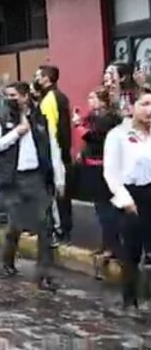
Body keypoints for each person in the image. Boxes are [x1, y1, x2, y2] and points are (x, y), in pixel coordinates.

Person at [0, 82, 65, 292]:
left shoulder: (41, 119)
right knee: (14, 225)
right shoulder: (3, 119)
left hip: (36, 178)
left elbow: (53, 148)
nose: (9, 99)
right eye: (7, 96)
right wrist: (16, 134)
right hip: (12, 179)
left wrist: (59, 178)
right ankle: (6, 262)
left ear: (24, 96)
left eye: (12, 95)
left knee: (45, 226)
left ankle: (44, 275)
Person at [103, 87, 151, 308]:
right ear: (132, 107)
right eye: (145, 104)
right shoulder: (118, 135)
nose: (149, 110)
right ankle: (129, 300)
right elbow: (111, 173)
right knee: (131, 252)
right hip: (129, 196)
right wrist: (125, 200)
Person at [75, 87, 121, 270]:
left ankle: (112, 246)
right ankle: (107, 244)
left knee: (105, 208)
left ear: (103, 101)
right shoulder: (96, 117)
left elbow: (92, 137)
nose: (90, 101)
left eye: (93, 98)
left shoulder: (108, 119)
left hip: (103, 167)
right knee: (101, 208)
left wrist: (78, 125)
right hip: (93, 166)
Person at [34, 65, 73, 244]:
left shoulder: (50, 99)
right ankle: (61, 229)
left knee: (58, 194)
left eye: (38, 76)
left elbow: (51, 131)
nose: (36, 79)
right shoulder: (58, 97)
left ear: (46, 78)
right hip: (60, 153)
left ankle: (61, 231)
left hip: (54, 154)